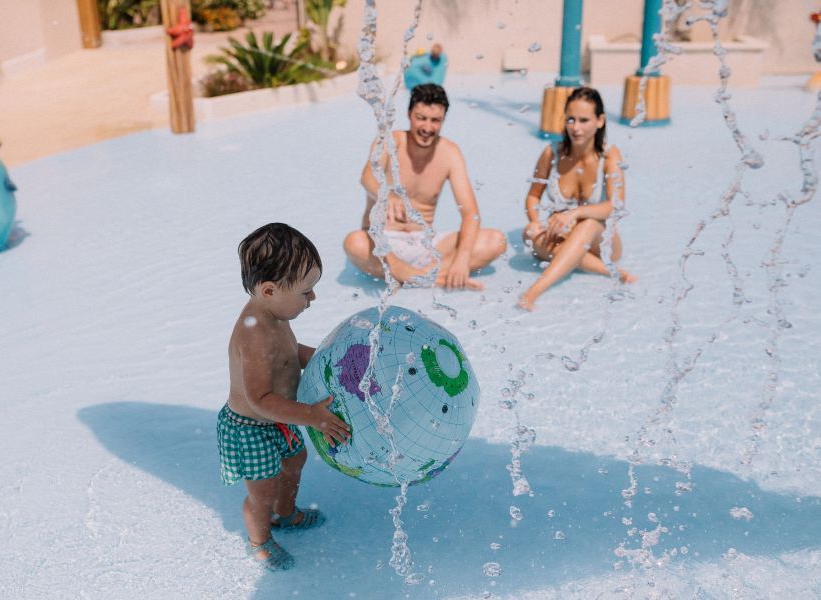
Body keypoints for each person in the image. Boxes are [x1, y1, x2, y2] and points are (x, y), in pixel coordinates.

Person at [218, 222, 351, 571]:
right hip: (251, 427)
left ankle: (286, 513)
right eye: (306, 292)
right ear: (269, 290)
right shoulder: (254, 333)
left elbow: (290, 354)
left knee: (295, 461)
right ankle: (259, 539)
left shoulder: (275, 315)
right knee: (262, 490)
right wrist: (312, 415)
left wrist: (326, 359)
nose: (313, 298)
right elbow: (260, 397)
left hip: (281, 420)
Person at [343, 84, 506, 290]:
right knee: (354, 242)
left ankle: (413, 276)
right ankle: (431, 277)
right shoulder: (390, 142)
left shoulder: (449, 152)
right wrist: (387, 194)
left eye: (435, 120)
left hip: (426, 244)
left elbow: (470, 214)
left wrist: (462, 260)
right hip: (384, 243)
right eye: (421, 118)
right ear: (409, 114)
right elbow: (366, 177)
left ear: (443, 120)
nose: (427, 128)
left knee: (496, 241)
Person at [518, 87, 636, 310]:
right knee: (531, 234)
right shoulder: (551, 153)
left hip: (603, 242)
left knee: (589, 224)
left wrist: (576, 213)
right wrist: (534, 219)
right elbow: (533, 196)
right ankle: (606, 270)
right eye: (571, 119)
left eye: (584, 120)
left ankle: (533, 291)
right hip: (561, 237)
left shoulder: (610, 155)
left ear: (600, 121)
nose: (576, 127)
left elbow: (615, 205)